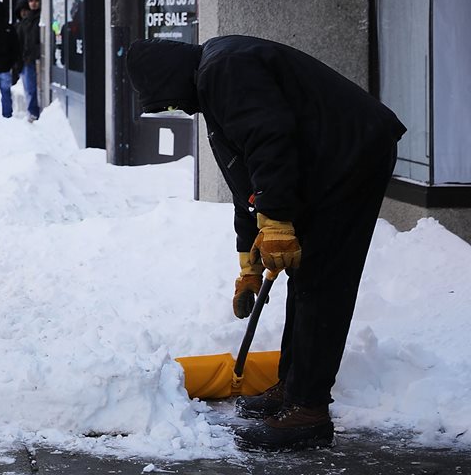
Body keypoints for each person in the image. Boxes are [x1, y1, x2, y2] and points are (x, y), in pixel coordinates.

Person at [125, 35, 406, 452]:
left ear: (171, 78)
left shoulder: (224, 70)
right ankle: (293, 387)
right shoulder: (214, 83)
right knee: (303, 273)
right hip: (326, 164)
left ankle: (307, 410)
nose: (176, 108)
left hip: (351, 155)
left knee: (322, 279)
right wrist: (249, 265)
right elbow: (247, 183)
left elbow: (270, 140)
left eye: (166, 99)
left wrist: (276, 223)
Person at [16, 0, 42, 122]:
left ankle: (34, 112)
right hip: (26, 59)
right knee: (29, 87)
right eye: (31, 1)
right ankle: (32, 111)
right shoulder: (25, 22)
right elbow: (19, 41)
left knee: (32, 87)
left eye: (36, 0)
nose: (34, 3)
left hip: (36, 57)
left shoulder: (42, 18)